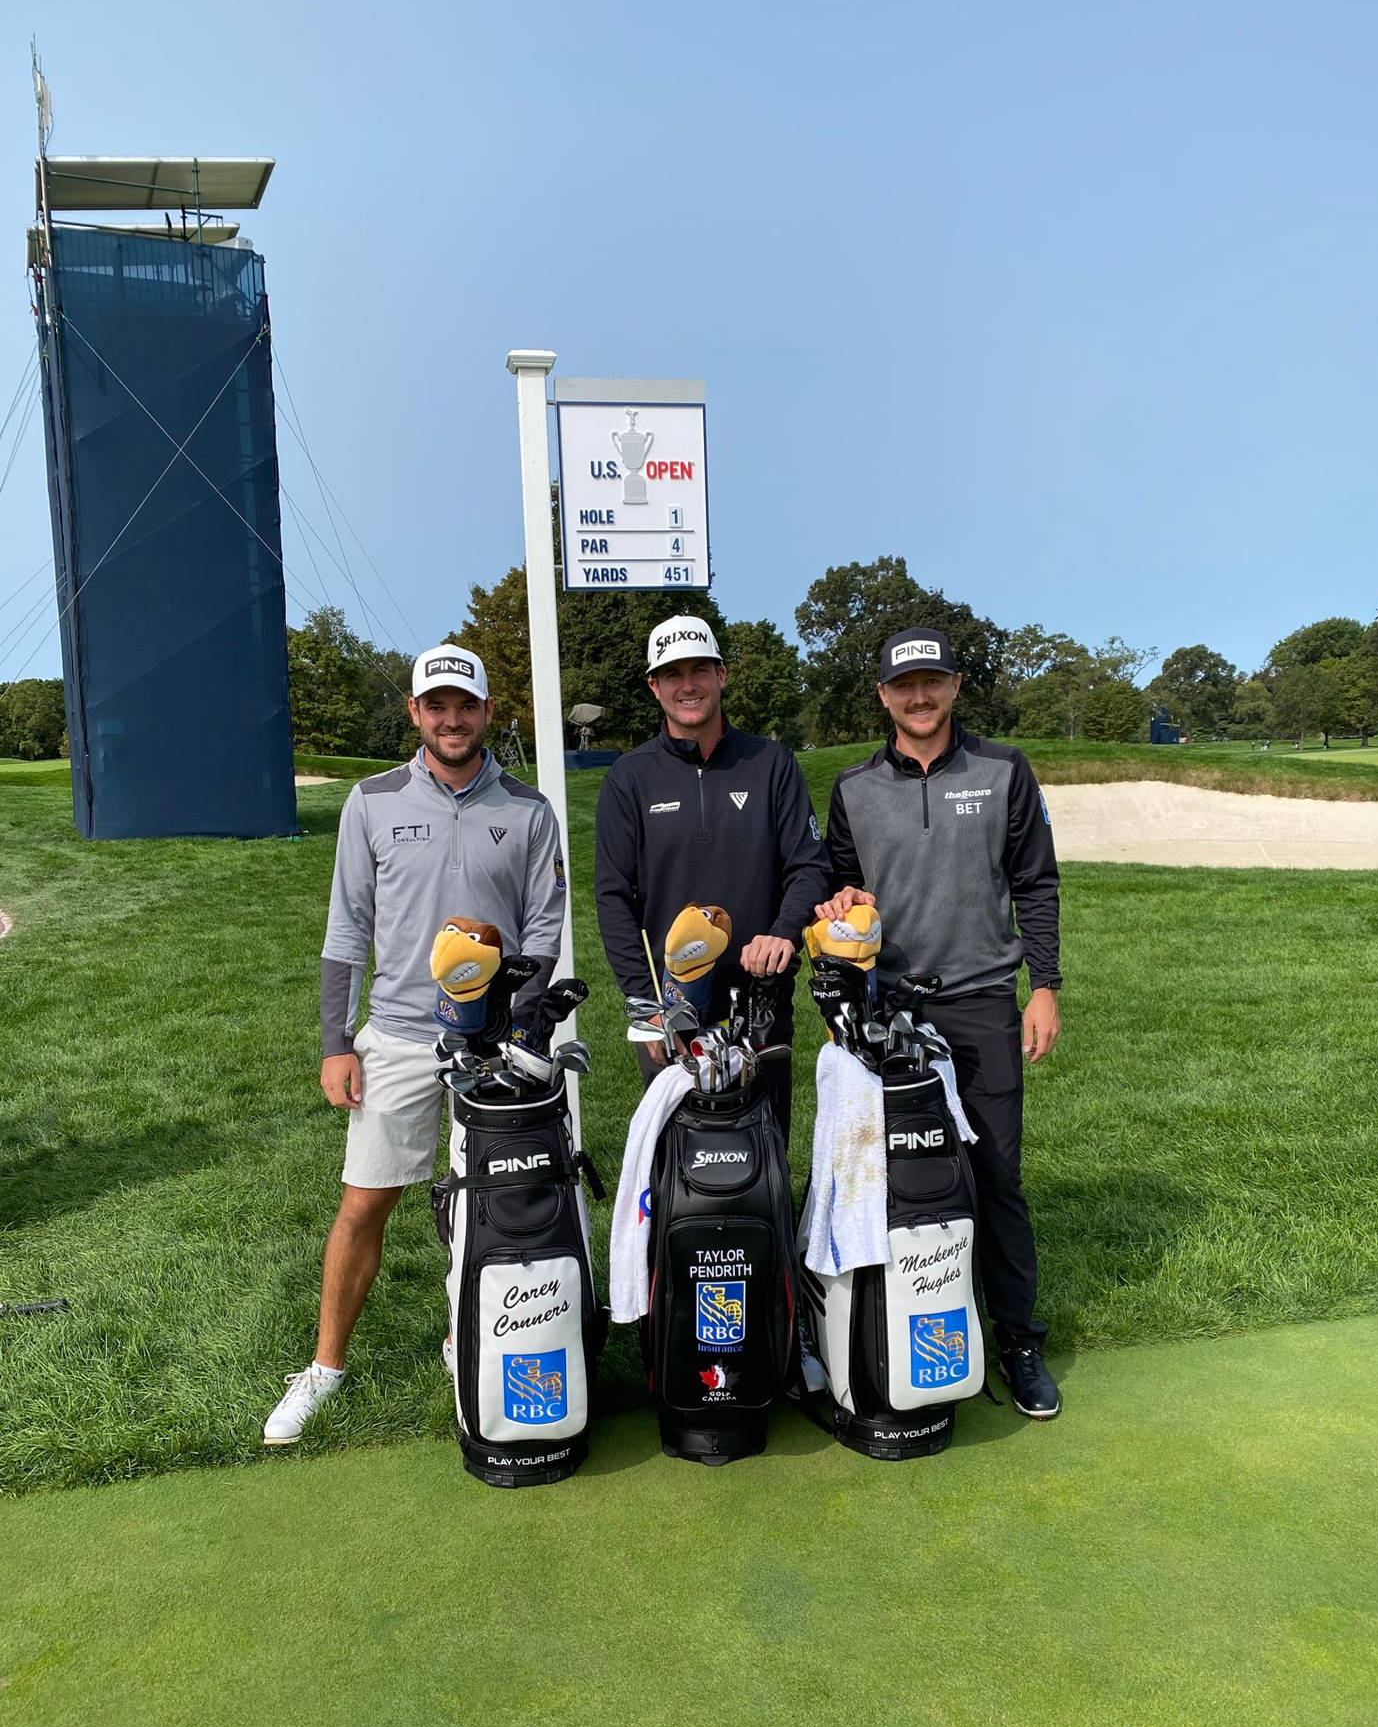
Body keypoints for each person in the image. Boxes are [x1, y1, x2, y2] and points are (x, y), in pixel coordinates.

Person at [263, 644, 565, 1444]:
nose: (452, 719)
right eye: (436, 706)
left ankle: (471, 1336)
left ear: (488, 712)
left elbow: (544, 927)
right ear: (415, 714)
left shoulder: (529, 810)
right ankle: (325, 1367)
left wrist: (521, 1023)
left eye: (465, 705)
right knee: (366, 1203)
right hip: (396, 1037)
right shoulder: (371, 800)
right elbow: (346, 928)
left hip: (491, 1046)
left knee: (496, 1204)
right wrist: (337, 1041)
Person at [817, 627, 1064, 1419]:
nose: (918, 697)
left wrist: (1045, 986)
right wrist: (841, 907)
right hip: (887, 1013)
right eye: (903, 685)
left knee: (995, 1176)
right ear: (882, 694)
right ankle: (898, 1335)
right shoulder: (853, 786)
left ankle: (1018, 1341)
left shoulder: (1003, 770)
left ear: (956, 685)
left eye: (933, 682)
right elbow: (839, 890)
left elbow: (1035, 881)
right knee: (895, 1185)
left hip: (983, 1002)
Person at [593, 614, 831, 1141]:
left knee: (762, 1148)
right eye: (673, 673)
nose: (688, 685)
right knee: (680, 1160)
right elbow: (613, 897)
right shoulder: (629, 777)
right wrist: (645, 1004)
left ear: (722, 675)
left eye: (700, 669)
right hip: (671, 1005)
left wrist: (783, 932)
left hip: (760, 994)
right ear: (655, 686)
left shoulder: (772, 763)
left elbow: (809, 867)